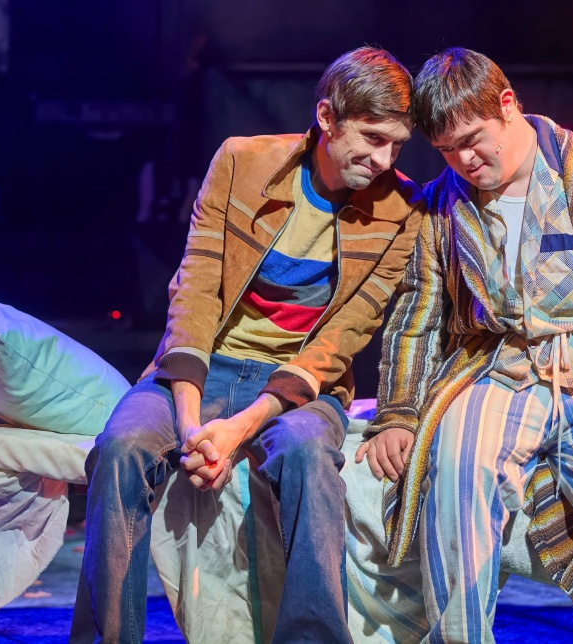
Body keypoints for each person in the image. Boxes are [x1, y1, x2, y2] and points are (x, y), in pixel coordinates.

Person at [357, 48, 573, 643]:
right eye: (446, 150)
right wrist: (396, 412)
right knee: (455, 467)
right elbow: (417, 313)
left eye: (473, 140)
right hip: (495, 365)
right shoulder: (443, 205)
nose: (465, 160)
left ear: (507, 104)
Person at [72, 46, 424, 643]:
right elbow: (197, 287)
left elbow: (343, 339)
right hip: (205, 365)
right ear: (327, 116)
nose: (383, 158)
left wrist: (240, 428)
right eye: (371, 137)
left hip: (301, 384)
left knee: (309, 456)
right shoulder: (241, 161)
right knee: (124, 445)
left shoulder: (403, 208)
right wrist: (189, 422)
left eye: (396, 143)